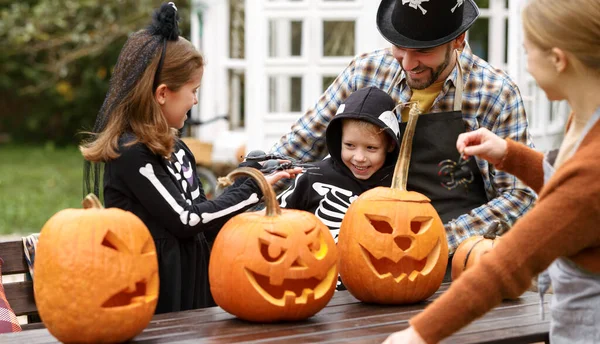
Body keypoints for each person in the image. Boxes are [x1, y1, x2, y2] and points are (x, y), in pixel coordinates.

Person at [383, 0, 600, 342]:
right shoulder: (586, 120)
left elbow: (508, 267)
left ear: (559, 60)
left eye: (528, 52)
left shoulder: (592, 168)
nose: (526, 67)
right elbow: (569, 190)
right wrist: (509, 155)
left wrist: (417, 335)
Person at [271, 0, 537, 268]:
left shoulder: (495, 93)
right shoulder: (365, 72)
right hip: (358, 255)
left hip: (448, 263)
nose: (408, 64)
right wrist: (246, 206)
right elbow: (296, 150)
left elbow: (519, 196)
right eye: (399, 47)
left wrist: (436, 240)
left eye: (422, 50)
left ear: (458, 40)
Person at [80, 3, 300, 314]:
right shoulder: (131, 154)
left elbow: (202, 221)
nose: (196, 100)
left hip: (194, 292)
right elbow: (186, 220)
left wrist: (251, 177)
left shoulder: (179, 150)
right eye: (193, 90)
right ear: (162, 94)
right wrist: (251, 186)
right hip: (153, 299)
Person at [279, 87, 400, 291]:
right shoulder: (312, 176)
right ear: (338, 140)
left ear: (389, 145)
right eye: (350, 145)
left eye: (371, 148)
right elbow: (275, 219)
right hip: (306, 288)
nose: (359, 157)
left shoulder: (396, 189)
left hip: (369, 295)